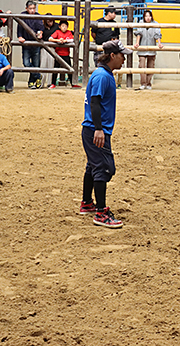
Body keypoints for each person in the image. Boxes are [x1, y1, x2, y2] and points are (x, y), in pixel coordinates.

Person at [80, 40, 132, 229]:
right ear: (112, 56)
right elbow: (95, 103)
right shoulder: (102, 76)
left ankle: (87, 203)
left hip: (92, 129)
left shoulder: (104, 74)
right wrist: (99, 129)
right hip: (96, 130)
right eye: (122, 55)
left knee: (93, 166)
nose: (124, 59)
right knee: (104, 168)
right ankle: (101, 212)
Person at [133, 10, 163, 90]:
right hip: (142, 48)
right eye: (146, 16)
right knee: (141, 66)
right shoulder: (141, 23)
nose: (148, 18)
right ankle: (143, 83)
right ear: (144, 17)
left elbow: (157, 35)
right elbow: (138, 33)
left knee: (151, 67)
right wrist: (137, 43)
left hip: (152, 48)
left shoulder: (155, 24)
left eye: (149, 16)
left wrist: (159, 43)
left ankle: (148, 83)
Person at [17, 0, 44, 89]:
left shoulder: (37, 16)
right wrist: (19, 36)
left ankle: (31, 82)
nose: (32, 10)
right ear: (26, 8)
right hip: (26, 44)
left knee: (36, 64)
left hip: (36, 44)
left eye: (33, 8)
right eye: (30, 8)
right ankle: (38, 76)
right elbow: (19, 27)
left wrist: (40, 33)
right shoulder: (23, 15)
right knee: (26, 63)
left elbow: (40, 28)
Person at [48, 20, 76, 88]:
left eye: (66, 26)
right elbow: (50, 39)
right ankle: (53, 83)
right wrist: (58, 40)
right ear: (59, 26)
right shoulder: (57, 32)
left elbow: (72, 40)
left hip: (66, 54)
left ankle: (73, 83)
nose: (64, 28)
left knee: (69, 69)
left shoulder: (69, 32)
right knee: (55, 69)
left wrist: (65, 41)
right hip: (58, 54)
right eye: (63, 26)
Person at [40, 14, 58, 88]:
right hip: (44, 46)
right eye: (48, 21)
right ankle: (41, 82)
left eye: (51, 21)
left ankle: (49, 83)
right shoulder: (42, 26)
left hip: (53, 47)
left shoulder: (56, 26)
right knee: (43, 64)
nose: (50, 23)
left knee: (51, 64)